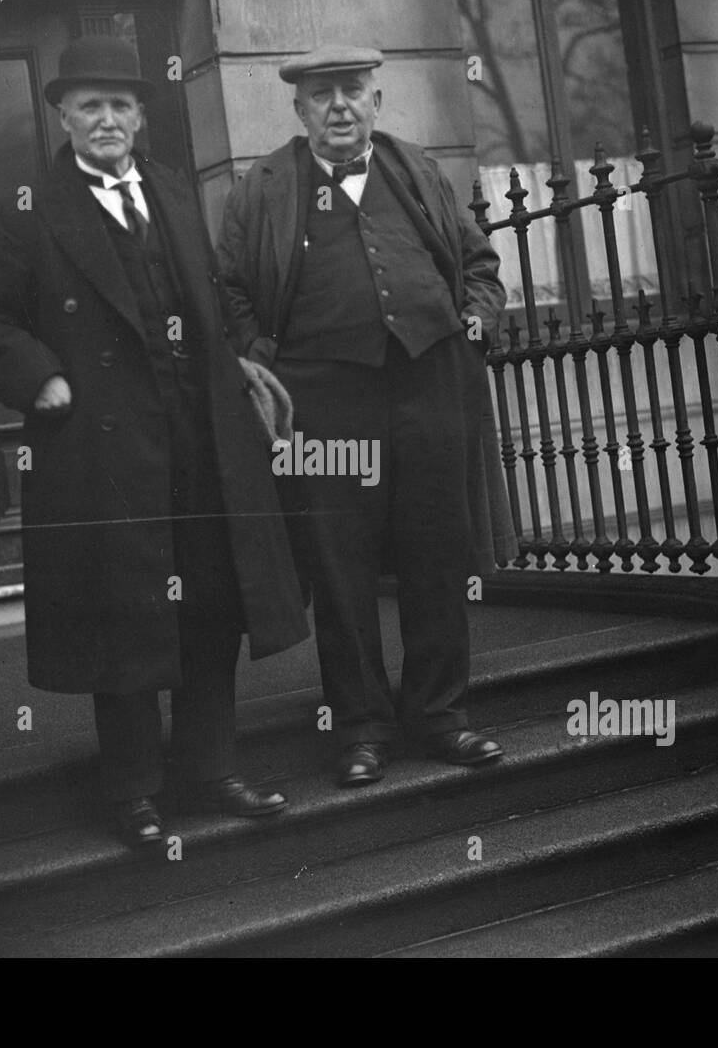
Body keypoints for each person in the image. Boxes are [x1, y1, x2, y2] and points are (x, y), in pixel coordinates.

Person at [0, 36, 309, 846]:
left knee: (212, 604)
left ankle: (210, 769)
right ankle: (133, 793)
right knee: (124, 617)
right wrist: (40, 376)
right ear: (64, 117)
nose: (107, 120)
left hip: (201, 440)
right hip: (102, 451)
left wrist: (238, 366)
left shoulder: (175, 192)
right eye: (89, 106)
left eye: (120, 105)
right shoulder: (25, 211)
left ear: (141, 116)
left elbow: (213, 299)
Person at [218, 44, 508, 788]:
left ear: (376, 100)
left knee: (436, 551)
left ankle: (441, 714)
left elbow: (479, 267)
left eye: (353, 91)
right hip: (325, 401)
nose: (340, 106)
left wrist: (474, 322)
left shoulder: (416, 170)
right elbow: (231, 291)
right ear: (300, 109)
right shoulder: (267, 187)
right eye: (322, 95)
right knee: (340, 565)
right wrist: (267, 363)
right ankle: (361, 728)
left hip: (430, 381)